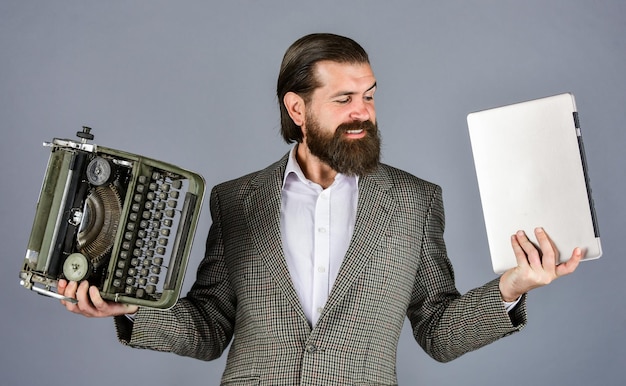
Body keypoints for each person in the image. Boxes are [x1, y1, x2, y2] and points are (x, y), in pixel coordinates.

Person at [58, 33, 583, 385]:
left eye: (370, 96)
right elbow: (210, 329)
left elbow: (440, 332)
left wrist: (514, 286)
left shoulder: (414, 203)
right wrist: (132, 309)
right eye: (344, 99)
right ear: (297, 108)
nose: (364, 113)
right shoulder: (236, 200)